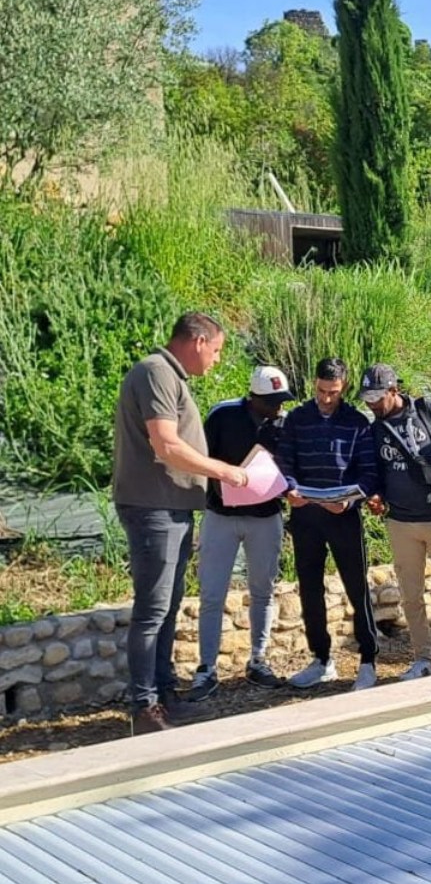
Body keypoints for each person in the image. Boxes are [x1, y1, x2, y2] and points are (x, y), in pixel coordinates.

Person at [112, 312, 249, 734]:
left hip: (170, 506)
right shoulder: (156, 373)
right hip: (152, 507)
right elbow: (166, 444)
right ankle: (144, 707)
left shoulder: (169, 376)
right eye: (218, 350)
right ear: (199, 341)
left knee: (167, 608)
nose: (217, 360)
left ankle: (164, 695)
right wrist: (222, 471)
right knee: (153, 610)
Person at [188, 366, 294, 702]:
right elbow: (200, 459)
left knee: (263, 589)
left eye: (281, 400)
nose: (278, 407)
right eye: (272, 401)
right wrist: (217, 488)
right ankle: (206, 667)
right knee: (212, 593)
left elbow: (290, 466)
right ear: (254, 398)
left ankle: (258, 660)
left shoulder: (284, 423)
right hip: (221, 516)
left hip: (266, 517)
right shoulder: (222, 416)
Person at [276, 357, 381, 690]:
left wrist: (350, 500)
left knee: (356, 586)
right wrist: (289, 487)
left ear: (344, 387)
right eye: (321, 391)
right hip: (305, 514)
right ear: (314, 384)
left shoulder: (357, 423)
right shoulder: (297, 418)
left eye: (332, 392)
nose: (325, 398)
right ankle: (321, 659)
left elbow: (369, 473)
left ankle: (367, 661)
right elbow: (285, 462)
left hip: (344, 516)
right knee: (309, 588)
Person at [359, 363, 431, 680]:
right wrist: (375, 495)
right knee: (411, 597)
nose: (371, 404)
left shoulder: (428, 412)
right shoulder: (374, 429)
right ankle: (423, 658)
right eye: (366, 398)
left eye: (376, 397)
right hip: (400, 522)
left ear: (393, 391)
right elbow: (375, 473)